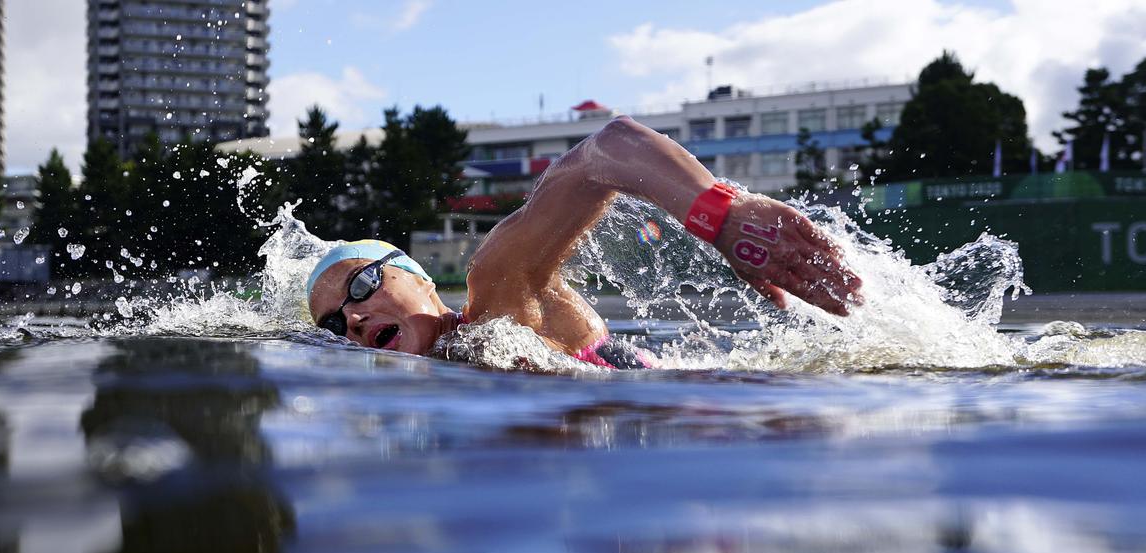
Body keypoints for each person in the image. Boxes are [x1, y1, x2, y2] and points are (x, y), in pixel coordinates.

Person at [305, 116, 862, 369]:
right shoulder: (442, 379)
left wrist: (719, 214)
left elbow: (610, 146)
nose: (352, 318)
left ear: (420, 278)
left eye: (362, 284)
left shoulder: (498, 291)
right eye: (333, 323)